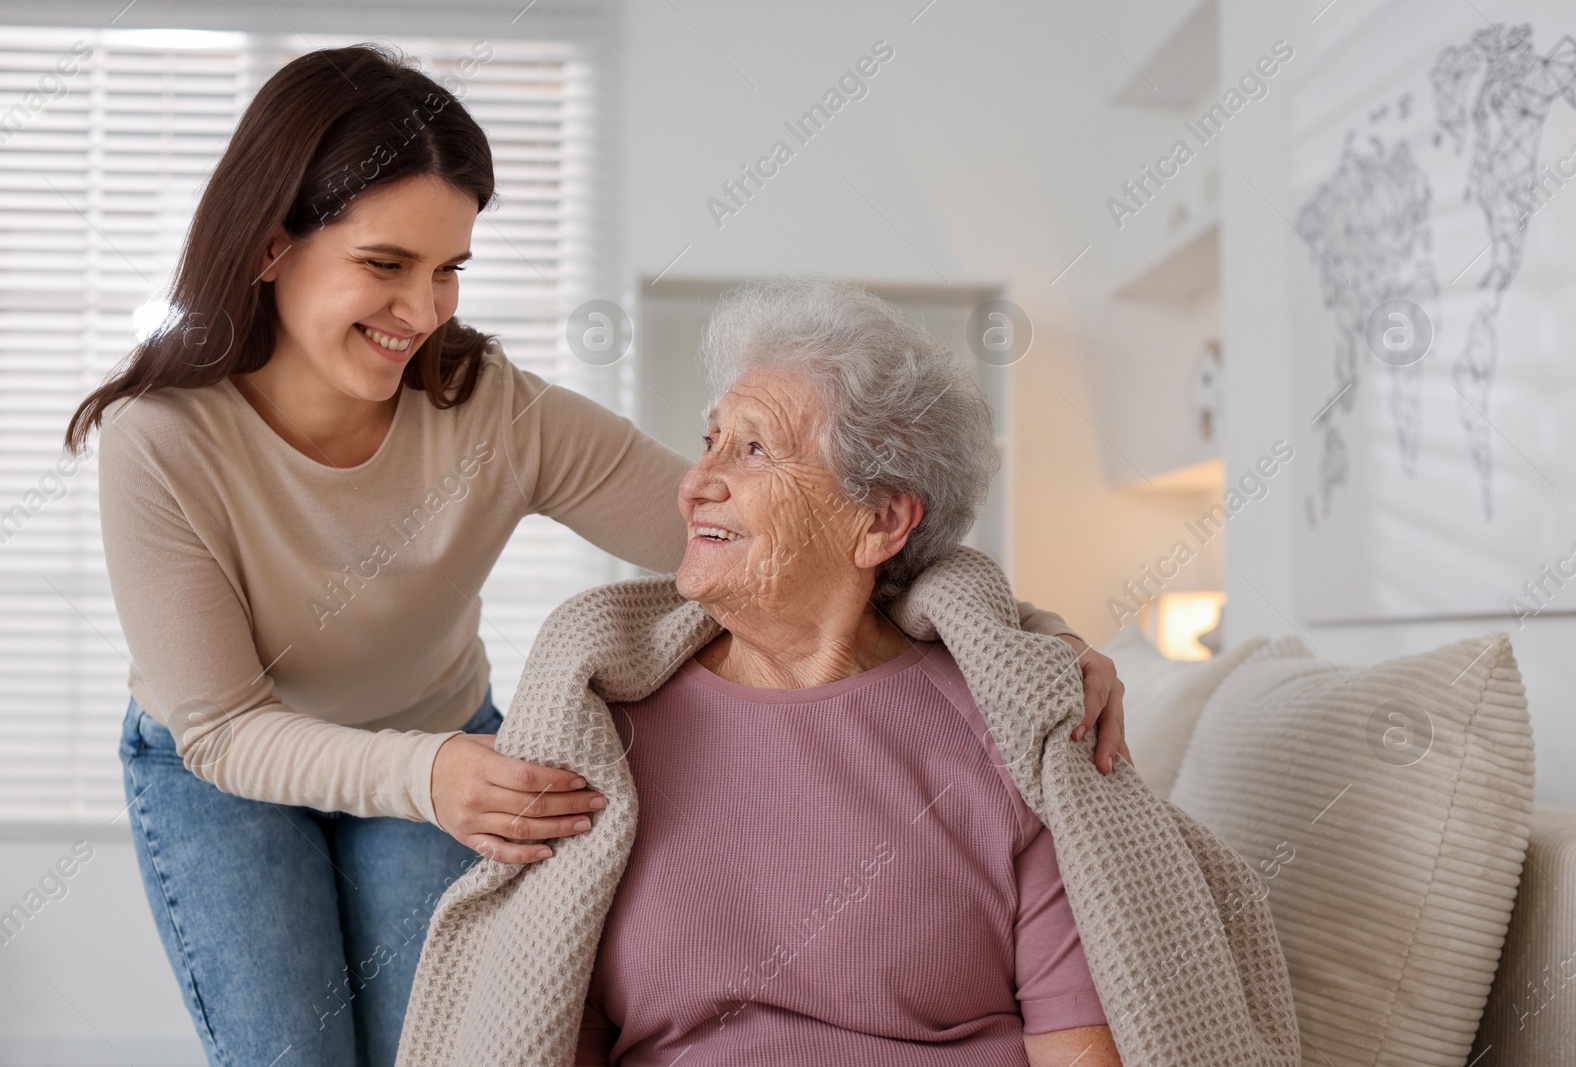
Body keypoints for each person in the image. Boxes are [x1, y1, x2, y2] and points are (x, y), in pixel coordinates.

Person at [62, 45, 1127, 1067]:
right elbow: (222, 726)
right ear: (269, 247)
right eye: (385, 266)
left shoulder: (488, 409)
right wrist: (424, 771)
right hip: (227, 765)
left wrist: (1027, 640)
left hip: (433, 737)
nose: (424, 313)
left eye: (448, 270)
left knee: (423, 1045)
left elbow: (758, 540)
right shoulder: (164, 441)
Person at [574, 279, 1123, 1066]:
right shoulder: (609, 728)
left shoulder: (1012, 734)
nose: (696, 481)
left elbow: (1080, 1051)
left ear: (879, 521)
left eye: (754, 448)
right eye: (710, 441)